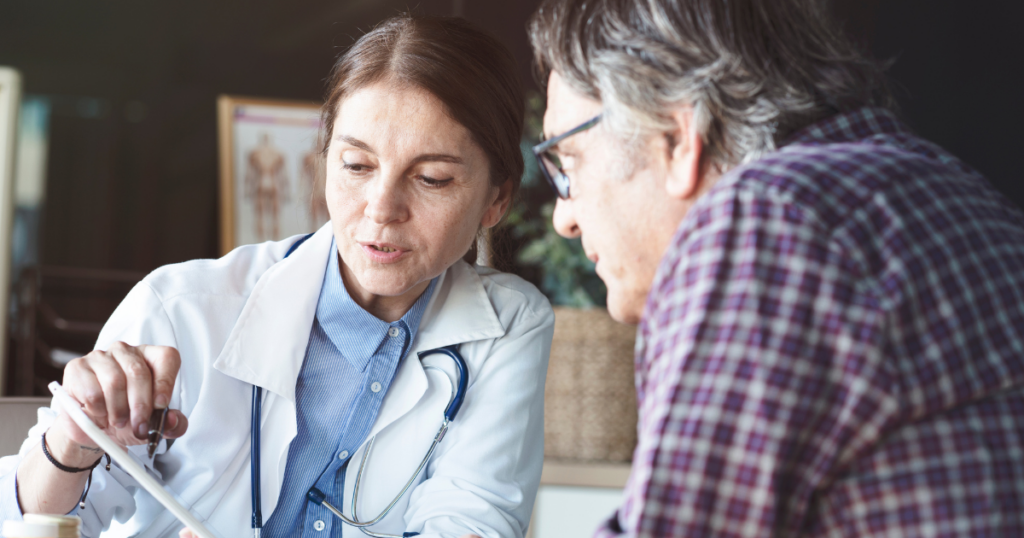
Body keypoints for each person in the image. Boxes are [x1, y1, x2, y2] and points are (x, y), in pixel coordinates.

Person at [0, 15, 554, 538]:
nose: (381, 208)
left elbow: (470, 521)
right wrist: (71, 444)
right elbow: (33, 523)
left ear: (497, 199)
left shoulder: (508, 324)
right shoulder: (181, 308)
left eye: (431, 178)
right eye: (357, 166)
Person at [525, 0, 1024, 535]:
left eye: (569, 162)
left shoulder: (769, 220)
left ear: (676, 138)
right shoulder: (963, 196)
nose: (563, 219)